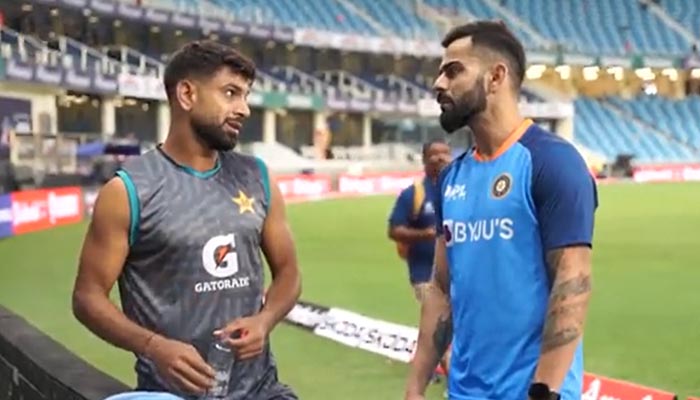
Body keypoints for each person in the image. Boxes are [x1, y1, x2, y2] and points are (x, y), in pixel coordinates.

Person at [72, 40, 302, 400]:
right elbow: (87, 297)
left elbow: (289, 272)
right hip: (172, 395)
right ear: (187, 94)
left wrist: (265, 319)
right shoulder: (129, 191)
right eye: (230, 93)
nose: (243, 109)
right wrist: (153, 346)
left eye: (245, 96)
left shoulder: (257, 177)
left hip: (263, 391)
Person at [404, 21, 597, 400]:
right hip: (463, 392)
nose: (438, 84)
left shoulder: (552, 162)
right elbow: (441, 289)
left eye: (453, 71)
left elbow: (572, 281)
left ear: (495, 77)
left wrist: (545, 392)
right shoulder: (452, 177)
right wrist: (414, 388)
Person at [388, 139, 453, 380]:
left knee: (450, 326)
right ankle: (456, 385)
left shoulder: (458, 190)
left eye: (445, 153)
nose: (440, 157)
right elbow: (394, 230)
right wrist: (425, 234)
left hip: (458, 274)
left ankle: (428, 365)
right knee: (439, 324)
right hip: (424, 274)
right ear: (424, 159)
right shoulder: (414, 194)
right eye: (434, 154)